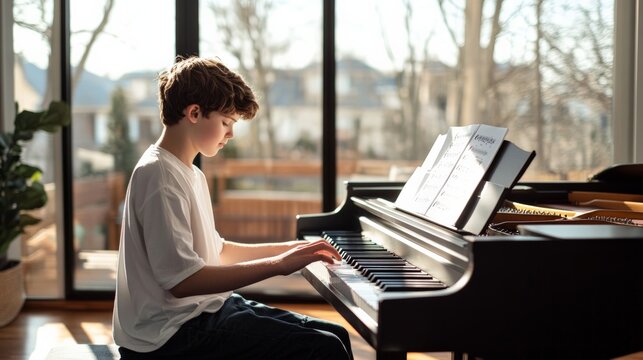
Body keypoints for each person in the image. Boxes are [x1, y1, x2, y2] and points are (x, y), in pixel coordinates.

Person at [112, 56, 353, 360]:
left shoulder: (190, 173)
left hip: (201, 311)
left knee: (337, 335)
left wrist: (292, 249)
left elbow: (218, 251)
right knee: (324, 348)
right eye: (226, 122)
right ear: (195, 113)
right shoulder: (159, 176)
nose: (231, 134)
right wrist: (278, 265)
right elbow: (183, 281)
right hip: (168, 334)